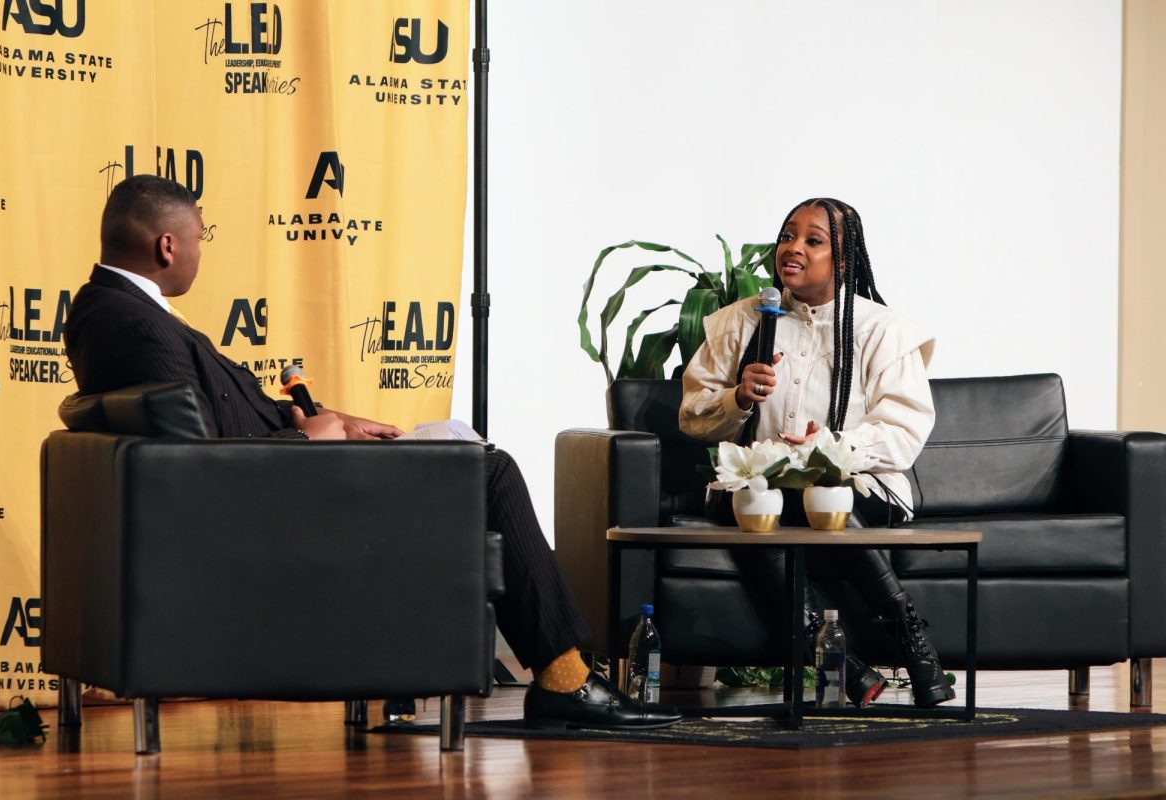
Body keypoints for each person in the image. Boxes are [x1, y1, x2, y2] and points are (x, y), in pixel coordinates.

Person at [64, 174, 681, 731]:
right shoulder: (133, 322)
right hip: (276, 496)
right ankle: (565, 679)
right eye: (200, 238)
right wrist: (308, 438)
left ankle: (547, 673)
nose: (202, 252)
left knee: (459, 446)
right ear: (167, 247)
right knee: (489, 471)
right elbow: (191, 466)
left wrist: (331, 421)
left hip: (279, 475)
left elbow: (206, 420)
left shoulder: (118, 310)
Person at [679, 197, 954, 708]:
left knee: (825, 497)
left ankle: (912, 642)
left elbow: (904, 432)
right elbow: (692, 414)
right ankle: (841, 663)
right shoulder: (741, 323)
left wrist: (829, 451)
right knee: (762, 503)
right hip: (758, 484)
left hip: (860, 484)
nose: (793, 249)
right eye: (787, 236)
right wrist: (738, 397)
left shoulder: (883, 330)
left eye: (813, 240)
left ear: (844, 260)